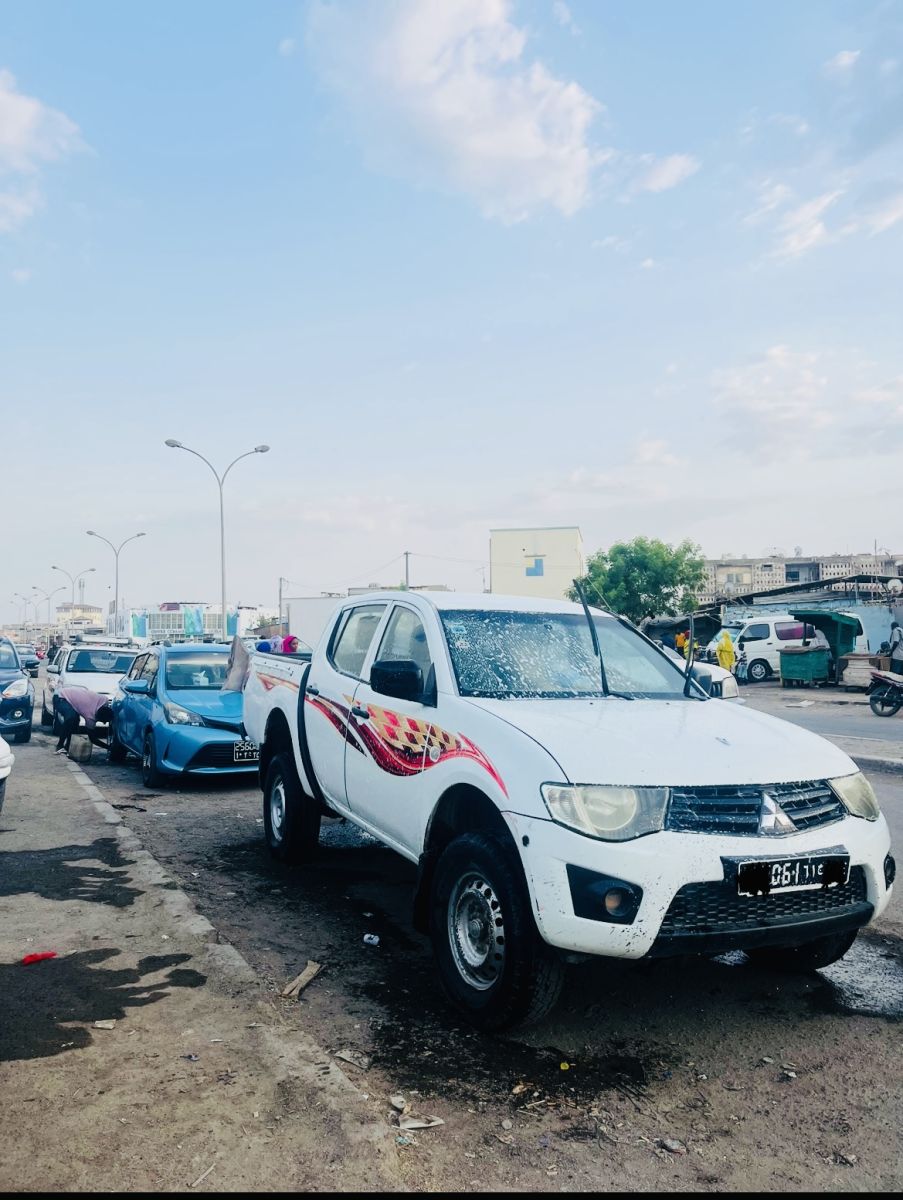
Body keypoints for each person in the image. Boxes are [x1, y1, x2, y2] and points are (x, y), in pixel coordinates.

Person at [54, 685, 114, 755]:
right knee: (71, 718)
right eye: (103, 721)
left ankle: (68, 747)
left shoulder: (104, 699)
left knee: (75, 723)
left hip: (70, 693)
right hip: (60, 697)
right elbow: (92, 739)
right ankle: (60, 745)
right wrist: (108, 747)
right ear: (98, 718)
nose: (104, 723)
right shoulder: (90, 717)